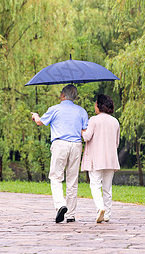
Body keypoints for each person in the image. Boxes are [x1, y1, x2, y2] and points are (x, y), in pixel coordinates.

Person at [31, 84, 88, 223]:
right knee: (72, 180)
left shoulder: (54, 109)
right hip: (76, 145)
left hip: (60, 144)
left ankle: (60, 205)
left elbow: (40, 122)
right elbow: (85, 130)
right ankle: (71, 215)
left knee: (56, 177)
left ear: (63, 95)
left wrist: (35, 115)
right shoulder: (82, 111)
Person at [81, 94, 120, 223]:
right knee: (107, 187)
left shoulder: (94, 120)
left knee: (95, 184)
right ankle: (107, 214)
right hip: (111, 158)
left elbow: (87, 137)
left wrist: (81, 130)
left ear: (99, 105)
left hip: (96, 158)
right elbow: (117, 142)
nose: (94, 106)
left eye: (95, 104)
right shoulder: (115, 121)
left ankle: (100, 208)